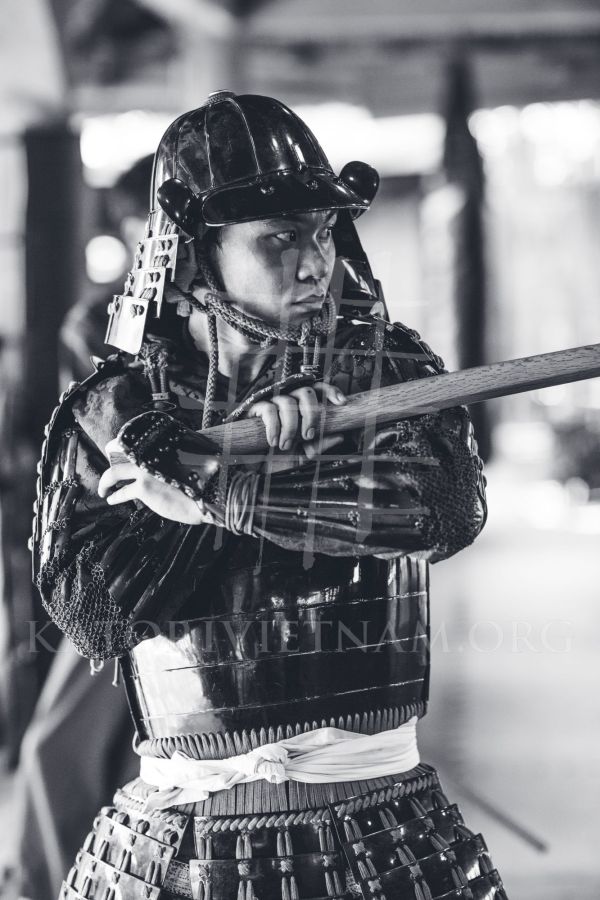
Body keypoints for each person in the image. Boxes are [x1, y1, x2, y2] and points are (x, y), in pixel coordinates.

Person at [32, 91, 507, 900]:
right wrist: (222, 476)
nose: (317, 264)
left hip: (380, 821)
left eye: (323, 233)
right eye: (280, 240)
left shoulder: (391, 373)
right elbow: (92, 613)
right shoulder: (112, 412)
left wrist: (233, 497)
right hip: (175, 842)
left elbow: (443, 512)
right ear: (194, 254)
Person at [14, 157, 153, 900]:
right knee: (60, 743)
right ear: (134, 228)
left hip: (232, 555)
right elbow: (107, 450)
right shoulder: (100, 323)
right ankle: (40, 883)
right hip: (126, 561)